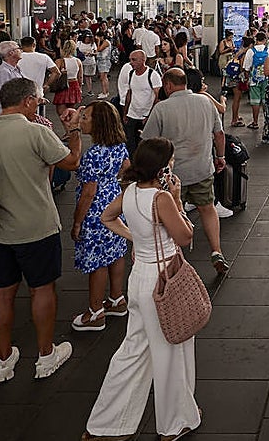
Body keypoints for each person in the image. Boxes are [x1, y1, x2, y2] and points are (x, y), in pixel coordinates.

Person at [80, 137, 199, 441]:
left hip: (140, 278)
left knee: (133, 349)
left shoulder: (130, 192)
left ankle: (107, 424)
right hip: (164, 277)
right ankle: (174, 423)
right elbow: (185, 236)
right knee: (172, 348)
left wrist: (135, 238)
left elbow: (107, 217)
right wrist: (176, 196)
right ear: (162, 168)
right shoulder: (161, 199)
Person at [0, 77, 82, 383]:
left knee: (1, 294)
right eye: (38, 99)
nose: (40, 103)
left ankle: (4, 359)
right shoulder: (35, 132)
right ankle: (46, 355)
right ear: (27, 101)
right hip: (36, 225)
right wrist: (73, 129)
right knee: (42, 288)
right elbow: (71, 162)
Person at [141, 68, 231, 275]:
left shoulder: (161, 108)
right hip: (202, 168)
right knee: (207, 208)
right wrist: (220, 157)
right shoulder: (206, 102)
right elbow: (219, 134)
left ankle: (174, 259)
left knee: (171, 216)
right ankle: (216, 251)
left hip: (172, 175)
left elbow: (148, 142)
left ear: (168, 85)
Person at [70, 102, 130, 332]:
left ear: (98, 124)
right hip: (115, 205)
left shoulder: (94, 154)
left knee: (97, 262)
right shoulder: (118, 146)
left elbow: (88, 192)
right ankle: (117, 299)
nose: (82, 120)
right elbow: (126, 167)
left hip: (96, 213)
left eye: (85, 117)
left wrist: (77, 222)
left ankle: (95, 312)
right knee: (115, 254)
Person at [118, 50, 161, 156]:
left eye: (134, 60)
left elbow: (157, 97)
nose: (131, 62)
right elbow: (129, 93)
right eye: (130, 60)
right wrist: (125, 112)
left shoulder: (152, 75)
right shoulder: (131, 73)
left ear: (143, 60)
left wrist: (149, 116)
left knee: (144, 144)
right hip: (132, 114)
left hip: (145, 115)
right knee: (130, 144)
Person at [242, 32, 269, 128]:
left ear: (256, 40)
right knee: (265, 101)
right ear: (264, 40)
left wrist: (247, 79)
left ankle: (255, 122)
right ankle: (267, 121)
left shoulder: (251, 51)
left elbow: (246, 68)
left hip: (254, 80)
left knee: (255, 101)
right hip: (267, 79)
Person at [0, 40, 26, 115]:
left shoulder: (16, 68)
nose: (21, 51)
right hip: (10, 114)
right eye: (18, 49)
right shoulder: (3, 72)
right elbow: (7, 95)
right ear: (11, 53)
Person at [52, 40, 83, 114]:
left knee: (61, 112)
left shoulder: (59, 61)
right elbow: (80, 77)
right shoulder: (78, 61)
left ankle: (67, 125)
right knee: (70, 111)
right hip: (74, 85)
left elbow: (55, 75)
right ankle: (71, 125)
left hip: (63, 85)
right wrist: (80, 88)